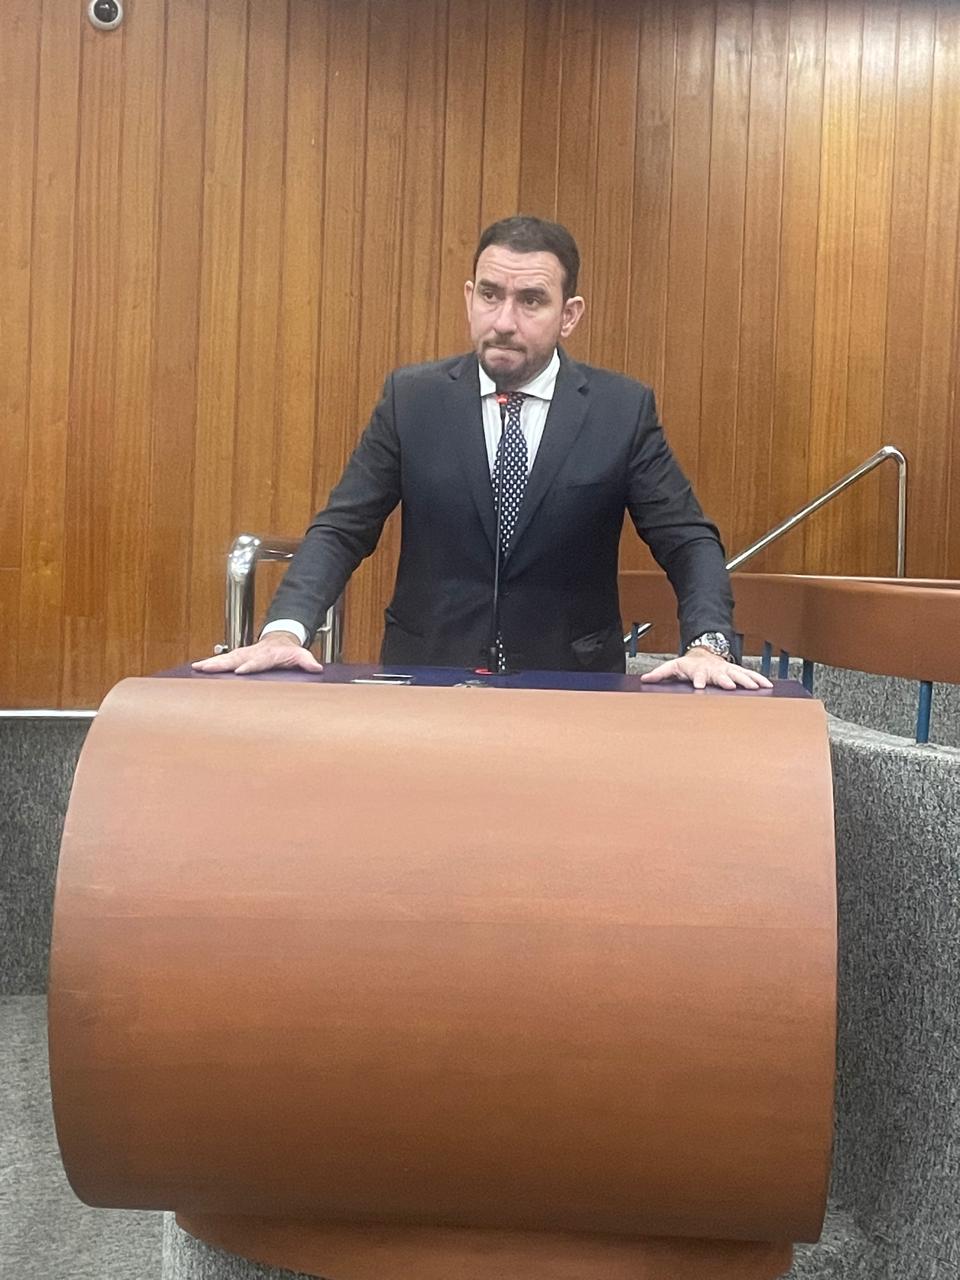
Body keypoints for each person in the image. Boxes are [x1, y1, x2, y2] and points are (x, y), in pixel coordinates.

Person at [195, 216, 769, 691]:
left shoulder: (620, 410)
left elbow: (687, 539)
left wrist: (707, 643)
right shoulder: (413, 399)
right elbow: (343, 528)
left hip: (570, 687)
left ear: (569, 315)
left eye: (531, 301)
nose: (504, 322)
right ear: (470, 297)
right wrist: (285, 630)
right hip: (427, 678)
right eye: (491, 295)